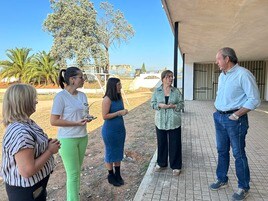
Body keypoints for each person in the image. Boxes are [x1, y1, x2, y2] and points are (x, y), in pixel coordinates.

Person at [210, 47, 261, 201]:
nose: (216, 61)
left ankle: (243, 187)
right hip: (219, 117)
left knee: (238, 154)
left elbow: (254, 99)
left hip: (235, 120)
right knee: (221, 150)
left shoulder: (243, 74)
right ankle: (222, 179)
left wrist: (236, 115)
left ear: (227, 59)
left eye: (218, 58)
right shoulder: (222, 76)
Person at [1, 84, 61, 201]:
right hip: (26, 192)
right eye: (33, 98)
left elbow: (32, 147)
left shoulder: (26, 123)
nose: (36, 102)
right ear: (23, 102)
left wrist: (45, 145)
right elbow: (27, 171)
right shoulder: (21, 133)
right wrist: (49, 151)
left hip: (34, 188)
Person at [50, 67, 93, 201]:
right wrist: (76, 123)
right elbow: (54, 121)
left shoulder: (82, 95)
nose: (83, 79)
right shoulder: (61, 97)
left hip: (82, 137)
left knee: (77, 172)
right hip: (68, 139)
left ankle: (75, 196)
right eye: (81, 77)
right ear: (72, 79)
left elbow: (82, 114)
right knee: (73, 174)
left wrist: (87, 117)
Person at [151, 70, 184, 176]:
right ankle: (161, 163)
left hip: (174, 121)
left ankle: (176, 166)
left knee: (175, 143)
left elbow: (182, 104)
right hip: (160, 121)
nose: (171, 79)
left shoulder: (176, 91)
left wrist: (174, 106)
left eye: (172, 77)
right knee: (162, 143)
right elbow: (152, 104)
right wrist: (160, 105)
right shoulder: (157, 91)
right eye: (168, 77)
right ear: (163, 79)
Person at [101, 77, 128, 186]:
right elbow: (104, 116)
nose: (120, 87)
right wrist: (119, 113)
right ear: (113, 86)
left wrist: (124, 111)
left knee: (119, 151)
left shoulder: (119, 97)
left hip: (120, 130)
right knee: (110, 152)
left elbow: (121, 110)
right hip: (110, 131)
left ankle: (118, 173)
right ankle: (111, 175)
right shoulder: (107, 99)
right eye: (118, 85)